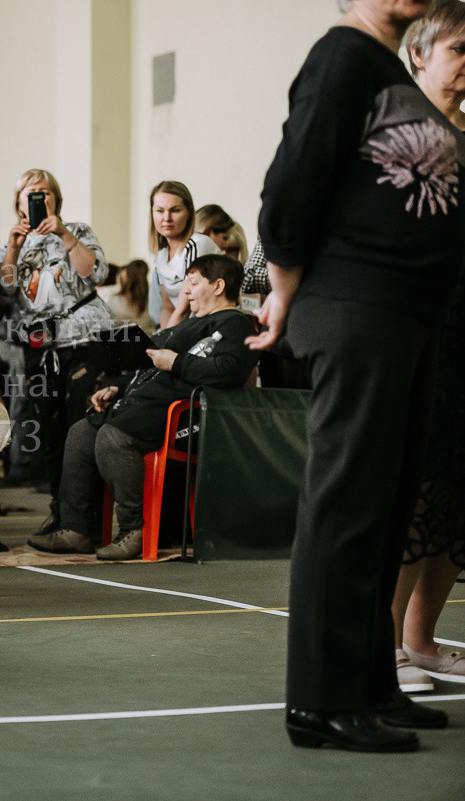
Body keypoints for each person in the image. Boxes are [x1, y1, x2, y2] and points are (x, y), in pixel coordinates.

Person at [251, 0, 459, 752]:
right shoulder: (342, 55)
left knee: (387, 505)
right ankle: (322, 700)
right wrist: (283, 287)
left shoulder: (385, 69)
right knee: (347, 504)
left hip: (408, 315)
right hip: (355, 304)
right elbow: (291, 183)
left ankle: (372, 685)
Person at [31, 254, 258, 560]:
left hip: (184, 415)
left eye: (193, 283)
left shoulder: (237, 324)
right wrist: (117, 387)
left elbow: (230, 371)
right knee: (81, 433)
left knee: (113, 437)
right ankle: (77, 529)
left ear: (218, 286)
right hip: (145, 405)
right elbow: (149, 367)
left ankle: (133, 529)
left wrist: (176, 362)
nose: (186, 290)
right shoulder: (188, 324)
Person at [392, 0, 465, 692]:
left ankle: (421, 640)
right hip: (416, 334)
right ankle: (382, 645)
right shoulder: (396, 130)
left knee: (456, 498)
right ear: (418, 54)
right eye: (458, 49)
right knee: (412, 495)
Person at [0, 169, 115, 536]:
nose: (39, 198)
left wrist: (63, 233)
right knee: (49, 432)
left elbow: (97, 274)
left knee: (82, 427)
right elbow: (4, 294)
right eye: (31, 192)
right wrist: (13, 247)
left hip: (84, 339)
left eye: (45, 192)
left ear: (55, 199)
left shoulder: (76, 230)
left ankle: (86, 516)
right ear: (19, 202)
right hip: (39, 346)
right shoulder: (13, 243)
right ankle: (61, 512)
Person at [148, 180, 221, 329]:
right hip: (185, 327)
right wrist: (163, 335)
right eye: (160, 211)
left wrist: (166, 340)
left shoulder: (197, 245)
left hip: (210, 326)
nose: (167, 218)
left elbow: (184, 310)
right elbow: (167, 308)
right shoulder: (161, 254)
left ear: (189, 213)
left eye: (175, 210)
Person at [98, 260, 154, 333]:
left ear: (125, 275)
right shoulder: (152, 303)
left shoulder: (114, 302)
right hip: (149, 338)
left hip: (122, 339)